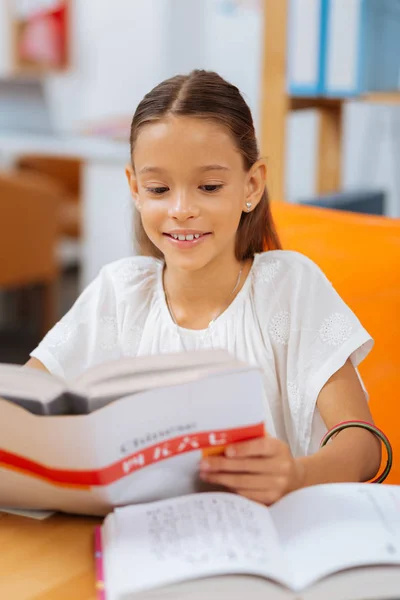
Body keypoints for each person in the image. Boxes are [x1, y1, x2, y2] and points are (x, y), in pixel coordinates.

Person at [26, 70, 381, 505]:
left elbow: (363, 447)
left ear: (251, 185)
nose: (181, 210)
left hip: (271, 536)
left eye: (209, 187)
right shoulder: (118, 292)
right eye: (158, 189)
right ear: (135, 189)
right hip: (142, 539)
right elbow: (24, 407)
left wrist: (296, 474)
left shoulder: (289, 286)